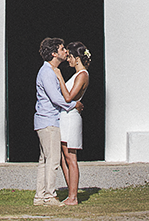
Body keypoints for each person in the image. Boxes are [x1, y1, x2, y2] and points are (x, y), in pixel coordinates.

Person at [33, 37, 83, 206]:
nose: (65, 51)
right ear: (54, 53)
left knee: (44, 160)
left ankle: (40, 196)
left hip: (45, 121)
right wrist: (73, 105)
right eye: (62, 49)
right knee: (53, 160)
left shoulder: (50, 71)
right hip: (49, 121)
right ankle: (49, 195)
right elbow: (56, 98)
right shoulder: (47, 72)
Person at [54, 41, 91, 205]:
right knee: (64, 158)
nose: (67, 59)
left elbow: (69, 97)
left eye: (69, 56)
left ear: (77, 58)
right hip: (65, 117)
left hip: (70, 119)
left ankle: (73, 197)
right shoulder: (77, 75)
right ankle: (71, 192)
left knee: (71, 158)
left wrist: (60, 77)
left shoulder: (82, 75)